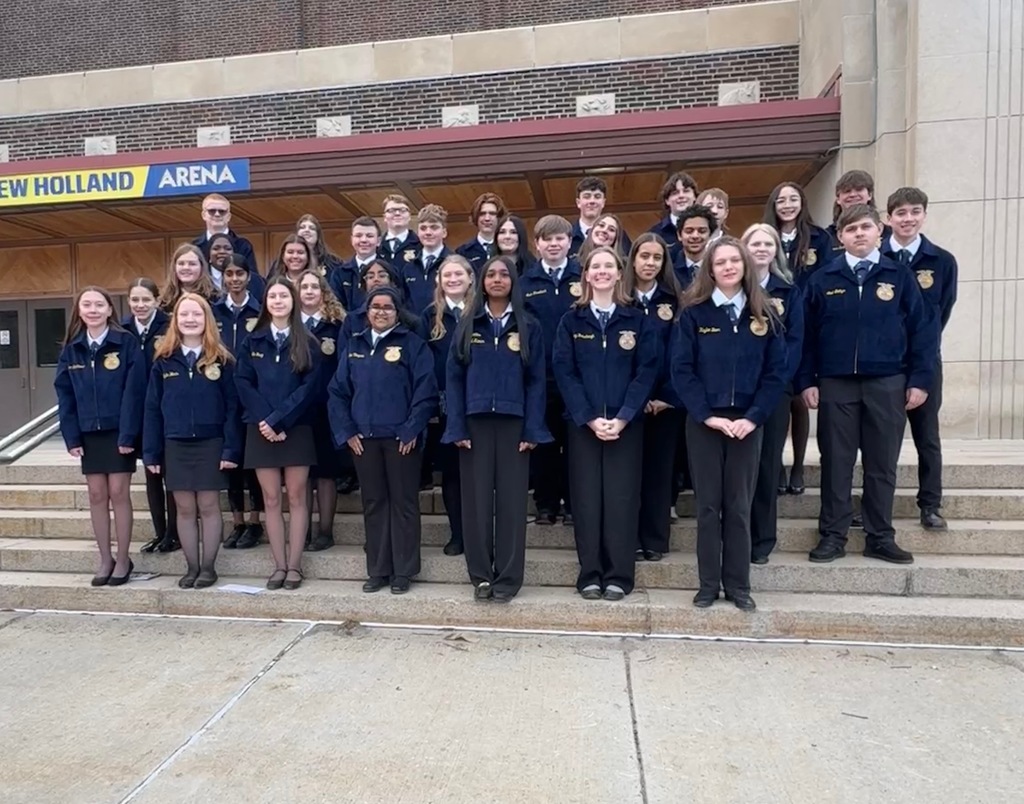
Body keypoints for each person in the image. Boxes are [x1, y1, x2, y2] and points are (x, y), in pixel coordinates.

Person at [798, 204, 936, 566]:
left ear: (880, 231)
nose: (858, 234)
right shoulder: (823, 279)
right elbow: (806, 337)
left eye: (865, 227)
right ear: (840, 237)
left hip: (888, 382)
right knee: (836, 462)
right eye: (850, 229)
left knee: (881, 463)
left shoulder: (900, 276)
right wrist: (806, 381)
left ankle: (879, 535)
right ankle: (833, 534)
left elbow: (922, 331)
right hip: (835, 383)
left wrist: (920, 380)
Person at [671, 238, 787, 611]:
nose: (728, 267)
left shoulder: (764, 314)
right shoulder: (694, 314)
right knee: (708, 507)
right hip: (706, 422)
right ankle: (708, 585)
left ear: (745, 266)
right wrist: (708, 415)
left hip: (746, 426)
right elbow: (682, 371)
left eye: (734, 260)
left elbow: (775, 374)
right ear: (710, 269)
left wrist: (753, 418)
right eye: (720, 262)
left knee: (739, 506)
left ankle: (738, 585)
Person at [553, 246, 659, 601]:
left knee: (621, 500)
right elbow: (564, 373)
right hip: (583, 426)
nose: (601, 271)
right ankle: (590, 574)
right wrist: (588, 417)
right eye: (595, 266)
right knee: (586, 501)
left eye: (608, 266)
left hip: (625, 426)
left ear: (618, 274)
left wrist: (624, 416)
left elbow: (646, 372)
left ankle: (618, 575)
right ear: (586, 274)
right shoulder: (572, 321)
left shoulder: (637, 320)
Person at [445, 256, 551, 602]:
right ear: (482, 281)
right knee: (475, 503)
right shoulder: (467, 324)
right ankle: (480, 576)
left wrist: (532, 429)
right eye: (491, 274)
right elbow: (454, 379)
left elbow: (537, 382)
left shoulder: (529, 326)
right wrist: (456, 425)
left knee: (511, 503)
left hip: (514, 425)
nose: (497, 279)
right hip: (473, 426)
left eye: (504, 274)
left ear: (513, 281)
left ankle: (507, 578)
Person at [328, 286, 438, 595]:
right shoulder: (353, 345)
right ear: (366, 311)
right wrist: (347, 431)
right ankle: (377, 569)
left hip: (402, 439)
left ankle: (403, 571)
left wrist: (411, 429)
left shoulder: (413, 345)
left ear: (397, 311)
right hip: (364, 440)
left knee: (403, 503)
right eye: (375, 307)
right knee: (374, 503)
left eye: (387, 307)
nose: (380, 312)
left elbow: (425, 391)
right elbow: (337, 393)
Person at [144, 294, 242, 589]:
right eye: (184, 315)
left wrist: (230, 448)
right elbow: (151, 408)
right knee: (185, 507)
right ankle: (191, 567)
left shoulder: (222, 359)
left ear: (207, 320)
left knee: (209, 505)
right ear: (175, 320)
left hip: (211, 442)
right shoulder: (163, 360)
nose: (190, 319)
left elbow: (233, 408)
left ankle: (208, 568)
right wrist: (151, 453)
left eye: (196, 315)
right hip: (175, 443)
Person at [235, 278, 323, 591]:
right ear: (266, 302)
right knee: (271, 499)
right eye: (272, 296)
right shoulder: (252, 341)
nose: (277, 300)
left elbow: (309, 388)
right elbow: (243, 383)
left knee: (298, 497)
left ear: (293, 301)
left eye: (284, 295)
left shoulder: (308, 341)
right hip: (260, 429)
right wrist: (266, 420)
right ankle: (278, 565)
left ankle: (295, 566)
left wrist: (279, 420)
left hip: (295, 428)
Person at [54, 286, 146, 587]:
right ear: (79, 312)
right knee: (96, 494)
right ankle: (104, 558)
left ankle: (122, 559)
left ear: (110, 310)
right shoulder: (72, 349)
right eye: (87, 305)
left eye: (99, 305)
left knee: (118, 492)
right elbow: (65, 395)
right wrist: (71, 436)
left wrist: (129, 434)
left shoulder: (126, 343)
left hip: (120, 431)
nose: (93, 310)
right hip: (88, 432)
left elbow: (134, 393)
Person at [883, 187, 958, 530]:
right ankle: (876, 504)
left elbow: (940, 314)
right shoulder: (877, 257)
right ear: (889, 218)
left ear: (924, 215)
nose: (907, 219)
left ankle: (930, 504)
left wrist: (921, 363)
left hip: (924, 361)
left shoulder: (941, 261)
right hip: (884, 366)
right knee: (882, 440)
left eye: (914, 211)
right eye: (900, 213)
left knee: (926, 436)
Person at [763, 181, 833, 495]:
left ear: (802, 202)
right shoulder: (766, 238)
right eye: (781, 200)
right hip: (771, 326)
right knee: (775, 399)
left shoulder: (820, 238)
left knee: (798, 398)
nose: (787, 205)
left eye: (793, 199)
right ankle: (776, 464)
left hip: (809, 324)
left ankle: (798, 466)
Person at [741, 224, 804, 564]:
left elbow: (794, 342)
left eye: (769, 243)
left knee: (766, 465)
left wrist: (777, 382)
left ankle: (762, 539)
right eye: (755, 243)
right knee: (740, 469)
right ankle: (736, 534)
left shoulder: (789, 292)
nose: (762, 248)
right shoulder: (732, 289)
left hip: (774, 393)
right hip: (736, 395)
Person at [623, 233, 685, 561]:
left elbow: (682, 354)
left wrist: (667, 396)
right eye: (644, 256)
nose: (650, 263)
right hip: (628, 405)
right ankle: (629, 537)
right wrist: (634, 400)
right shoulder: (620, 300)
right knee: (629, 474)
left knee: (660, 473)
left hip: (666, 404)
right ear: (632, 259)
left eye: (657, 258)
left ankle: (655, 539)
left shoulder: (675, 300)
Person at [520, 214, 580, 526]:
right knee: (543, 442)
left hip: (576, 378)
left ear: (570, 242)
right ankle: (545, 505)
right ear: (537, 244)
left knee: (574, 444)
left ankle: (572, 504)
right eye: (547, 239)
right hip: (539, 377)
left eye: (559, 238)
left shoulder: (583, 277)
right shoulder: (526, 283)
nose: (553, 244)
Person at [212, 254, 266, 549]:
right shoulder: (214, 312)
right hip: (220, 395)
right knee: (229, 463)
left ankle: (255, 521)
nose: (234, 279)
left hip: (251, 395)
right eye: (229, 274)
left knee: (251, 463)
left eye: (239, 274)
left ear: (248, 277)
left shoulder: (259, 311)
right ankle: (238, 521)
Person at [423, 255, 475, 556]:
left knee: (478, 475)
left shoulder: (481, 313)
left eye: (459, 274)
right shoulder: (430, 317)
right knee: (453, 474)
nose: (453, 280)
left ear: (470, 278)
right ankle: (458, 534)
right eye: (447, 275)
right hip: (445, 407)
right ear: (439, 282)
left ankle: (478, 531)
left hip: (480, 405)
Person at [123, 278, 177, 554]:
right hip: (140, 414)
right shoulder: (122, 330)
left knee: (169, 474)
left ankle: (174, 533)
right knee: (152, 474)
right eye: (135, 300)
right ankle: (159, 532)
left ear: (157, 300)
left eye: (146, 299)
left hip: (167, 411)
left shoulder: (170, 326)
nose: (140, 305)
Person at [297, 269, 347, 551]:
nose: (309, 291)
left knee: (326, 473)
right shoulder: (290, 327)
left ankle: (325, 531)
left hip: (328, 410)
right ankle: (302, 529)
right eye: (304, 287)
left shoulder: (336, 325)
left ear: (323, 292)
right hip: (298, 413)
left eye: (314, 287)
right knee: (302, 473)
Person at [338, 259, 406, 349]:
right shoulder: (352, 320)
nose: (376, 279)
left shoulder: (405, 319)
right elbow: (343, 355)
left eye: (382, 276)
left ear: (392, 281)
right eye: (370, 277)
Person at [191, 193, 259, 277]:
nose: (217, 214)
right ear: (204, 215)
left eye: (222, 211)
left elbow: (252, 278)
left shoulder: (243, 246)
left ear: (229, 216)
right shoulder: (194, 247)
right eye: (212, 211)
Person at [401, 204, 451, 315]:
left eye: (434, 227)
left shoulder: (454, 264)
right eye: (423, 228)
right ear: (418, 233)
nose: (428, 232)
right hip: (415, 329)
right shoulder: (409, 268)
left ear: (444, 232)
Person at [826, 170, 892, 253]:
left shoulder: (889, 234)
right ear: (838, 199)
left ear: (870, 195)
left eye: (859, 189)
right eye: (847, 191)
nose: (853, 194)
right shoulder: (827, 237)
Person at [570, 177, 633, 260]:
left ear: (603, 202)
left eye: (597, 196)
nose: (592, 201)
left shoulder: (619, 235)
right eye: (587, 196)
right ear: (578, 202)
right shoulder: (568, 235)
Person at [329, 216, 382, 311]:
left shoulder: (390, 270)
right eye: (358, 236)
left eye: (369, 236)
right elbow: (336, 307)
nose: (364, 240)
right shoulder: (340, 273)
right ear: (352, 240)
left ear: (378, 241)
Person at [456, 192, 507, 273]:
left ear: (499, 217)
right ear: (475, 217)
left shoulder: (508, 249)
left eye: (492, 213)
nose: (487, 218)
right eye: (482, 214)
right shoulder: (462, 252)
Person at [161, 243, 220, 312]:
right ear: (174, 267)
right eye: (181, 263)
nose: (186, 268)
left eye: (192, 264)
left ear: (201, 267)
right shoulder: (166, 301)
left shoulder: (215, 299)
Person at [208, 231, 266, 301]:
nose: (222, 251)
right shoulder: (200, 278)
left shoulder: (255, 281)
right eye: (216, 248)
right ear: (208, 254)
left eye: (227, 248)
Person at [670, 204, 716, 286]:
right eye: (689, 231)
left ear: (710, 235)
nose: (695, 236)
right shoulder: (669, 268)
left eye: (702, 231)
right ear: (679, 235)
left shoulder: (717, 267)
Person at [650, 171, 699, 245]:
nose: (681, 196)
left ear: (695, 196)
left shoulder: (708, 229)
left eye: (686, 191)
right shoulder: (654, 234)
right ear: (667, 201)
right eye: (675, 193)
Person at [378, 194, 421, 269]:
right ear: (384, 217)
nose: (397, 213)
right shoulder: (377, 246)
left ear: (409, 216)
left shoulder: (421, 245)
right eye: (391, 210)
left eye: (403, 210)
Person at [297, 213, 343, 278]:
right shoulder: (286, 261)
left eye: (312, 228)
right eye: (302, 227)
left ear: (318, 235)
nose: (307, 230)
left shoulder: (334, 263)